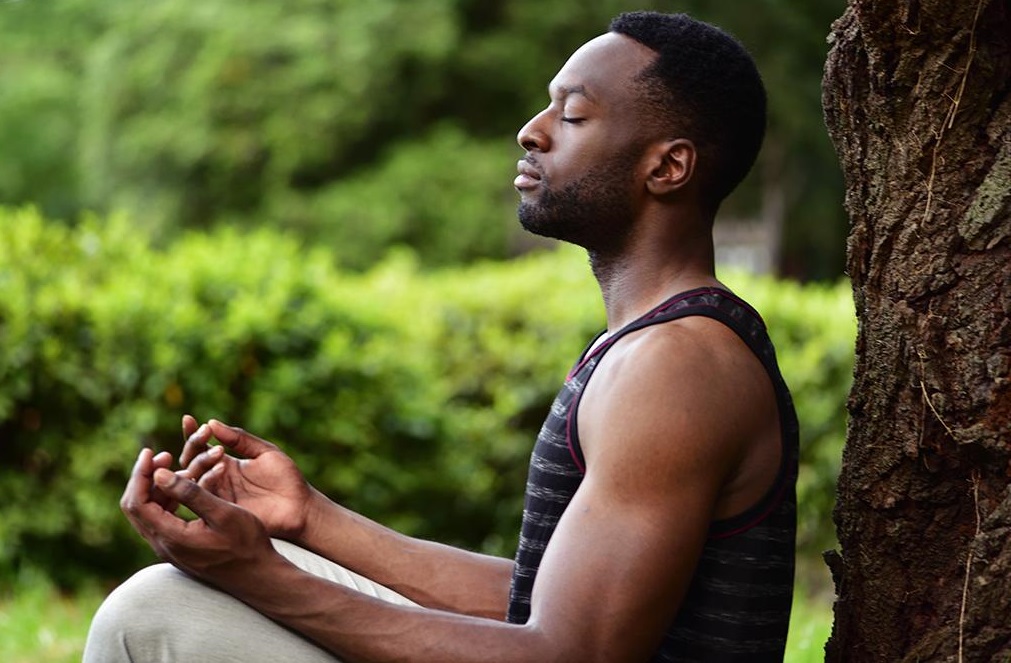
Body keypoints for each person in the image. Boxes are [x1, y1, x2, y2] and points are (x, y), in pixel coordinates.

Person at [85, 10, 798, 662]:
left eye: (572, 115)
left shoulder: (676, 366)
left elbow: (570, 652)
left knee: (154, 612)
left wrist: (259, 574)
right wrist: (308, 519)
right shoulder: (655, 344)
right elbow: (539, 600)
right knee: (191, 592)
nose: (533, 129)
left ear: (666, 167)